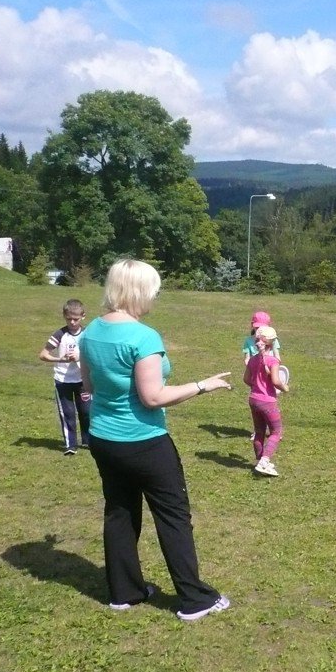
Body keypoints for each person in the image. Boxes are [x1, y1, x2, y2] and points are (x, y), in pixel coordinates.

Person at [79, 259, 232, 621]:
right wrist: (202, 385)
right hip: (144, 443)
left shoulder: (90, 332)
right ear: (138, 291)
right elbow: (153, 397)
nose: (155, 297)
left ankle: (124, 592)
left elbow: (88, 386)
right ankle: (195, 600)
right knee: (173, 516)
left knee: (119, 511)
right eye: (154, 291)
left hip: (103, 439)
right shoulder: (143, 337)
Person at [39, 298, 91, 455]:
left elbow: (96, 355)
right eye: (69, 319)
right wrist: (61, 359)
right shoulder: (60, 334)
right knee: (67, 413)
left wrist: (80, 357)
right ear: (64, 316)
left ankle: (88, 441)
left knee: (86, 412)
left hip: (83, 380)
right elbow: (43, 355)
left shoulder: (87, 335)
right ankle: (70, 445)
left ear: (83, 316)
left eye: (76, 319)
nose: (72, 322)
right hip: (63, 380)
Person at [243, 325, 290, 476]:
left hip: (253, 399)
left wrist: (256, 386)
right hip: (268, 402)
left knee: (259, 432)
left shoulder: (252, 360)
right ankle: (264, 461)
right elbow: (276, 381)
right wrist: (285, 388)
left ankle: (259, 460)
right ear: (272, 342)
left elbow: (246, 379)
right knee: (276, 431)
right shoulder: (273, 361)